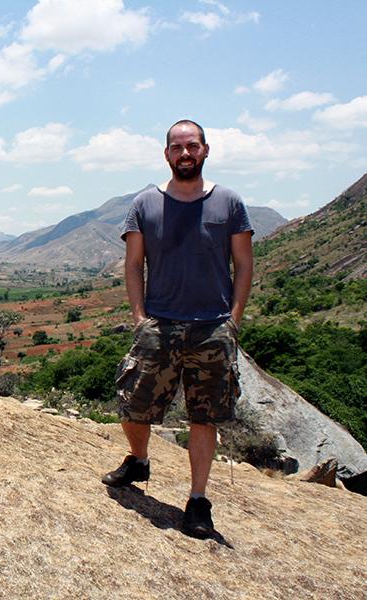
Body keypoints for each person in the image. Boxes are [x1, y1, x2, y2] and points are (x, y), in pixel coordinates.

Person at [102, 119, 254, 539]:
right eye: (177, 147)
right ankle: (138, 459)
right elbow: (134, 265)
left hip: (212, 328)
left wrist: (234, 319)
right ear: (166, 154)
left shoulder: (229, 202)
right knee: (134, 403)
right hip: (160, 323)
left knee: (204, 417)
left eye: (192, 146)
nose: (184, 154)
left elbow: (244, 264)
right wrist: (139, 317)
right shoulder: (145, 203)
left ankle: (198, 500)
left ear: (206, 150)